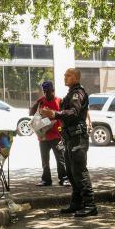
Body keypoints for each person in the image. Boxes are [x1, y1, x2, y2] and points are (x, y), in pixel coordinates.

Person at [40, 68, 97, 217]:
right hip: (69, 138)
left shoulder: (78, 93)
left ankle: (90, 205)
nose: (65, 77)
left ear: (76, 78)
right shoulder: (71, 93)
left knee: (79, 171)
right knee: (71, 173)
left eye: (68, 75)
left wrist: (55, 114)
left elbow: (73, 112)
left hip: (77, 138)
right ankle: (77, 203)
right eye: (64, 75)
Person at [29, 80, 67, 187]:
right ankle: (46, 180)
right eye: (44, 91)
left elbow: (64, 115)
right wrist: (38, 106)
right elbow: (31, 113)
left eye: (48, 91)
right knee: (45, 160)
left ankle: (63, 179)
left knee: (60, 159)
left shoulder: (59, 101)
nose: (46, 94)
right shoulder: (41, 101)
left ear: (53, 91)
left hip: (56, 136)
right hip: (43, 137)